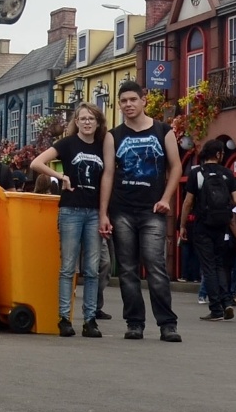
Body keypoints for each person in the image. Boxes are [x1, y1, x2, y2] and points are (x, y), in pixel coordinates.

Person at [101, 82, 181, 342]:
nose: (128, 105)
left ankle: (167, 324)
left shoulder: (163, 131)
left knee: (156, 267)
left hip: (152, 210)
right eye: (123, 100)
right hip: (122, 209)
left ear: (144, 100)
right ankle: (134, 322)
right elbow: (109, 174)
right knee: (126, 269)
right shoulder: (114, 135)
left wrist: (166, 198)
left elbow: (176, 168)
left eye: (133, 99)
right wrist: (103, 212)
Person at [30, 102, 108, 338]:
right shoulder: (67, 144)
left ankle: (90, 319)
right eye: (82, 118)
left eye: (91, 119)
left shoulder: (104, 146)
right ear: (76, 122)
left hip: (94, 211)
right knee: (68, 267)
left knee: (93, 268)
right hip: (71, 210)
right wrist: (60, 175)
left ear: (98, 123)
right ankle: (64, 318)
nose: (86, 122)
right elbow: (37, 163)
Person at [180, 137, 236, 323]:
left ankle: (215, 308)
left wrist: (183, 225)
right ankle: (227, 301)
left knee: (208, 267)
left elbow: (188, 202)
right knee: (220, 264)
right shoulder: (227, 174)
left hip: (202, 225)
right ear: (218, 154)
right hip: (222, 225)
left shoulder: (196, 173)